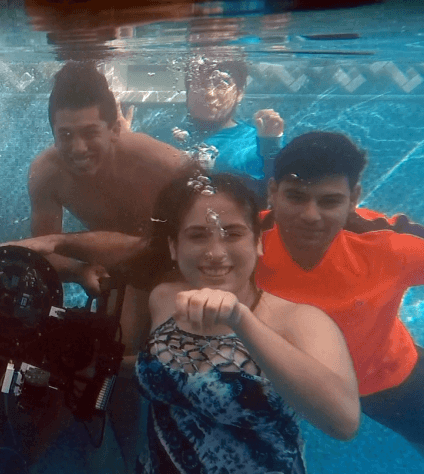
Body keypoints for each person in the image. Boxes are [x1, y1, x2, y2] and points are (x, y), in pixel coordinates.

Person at [257, 131, 424, 474]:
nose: (311, 216)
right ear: (273, 193)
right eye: (296, 197)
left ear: (353, 199)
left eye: (329, 201)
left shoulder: (389, 245)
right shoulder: (243, 240)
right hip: (281, 380)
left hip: (387, 376)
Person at [134, 172, 359, 473]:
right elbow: (178, 374)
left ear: (258, 242)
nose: (215, 253)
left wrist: (241, 319)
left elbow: (343, 422)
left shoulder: (300, 320)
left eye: (233, 233)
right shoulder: (164, 299)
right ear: (174, 247)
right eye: (198, 235)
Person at [28, 61, 185, 294]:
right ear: (53, 134)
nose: (78, 148)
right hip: (113, 271)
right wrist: (79, 270)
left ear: (114, 130)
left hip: (175, 267)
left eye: (90, 133)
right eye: (66, 135)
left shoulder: (162, 163)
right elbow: (44, 250)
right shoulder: (47, 174)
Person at [179, 55, 283, 205]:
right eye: (199, 84)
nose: (210, 94)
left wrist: (271, 145)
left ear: (239, 93)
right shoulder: (163, 135)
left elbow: (276, 198)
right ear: (187, 92)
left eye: (221, 84)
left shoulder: (260, 141)